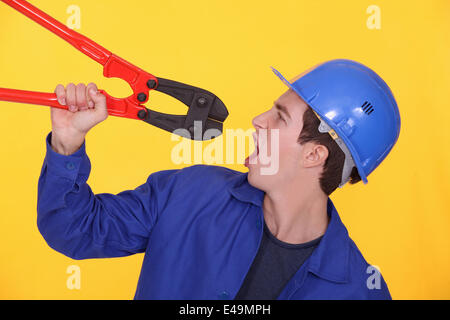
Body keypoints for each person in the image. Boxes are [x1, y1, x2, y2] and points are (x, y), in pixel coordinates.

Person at [37, 59, 400, 299]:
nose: (258, 120)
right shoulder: (188, 193)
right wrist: (67, 145)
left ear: (314, 155)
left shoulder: (358, 289)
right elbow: (75, 230)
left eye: (280, 116)